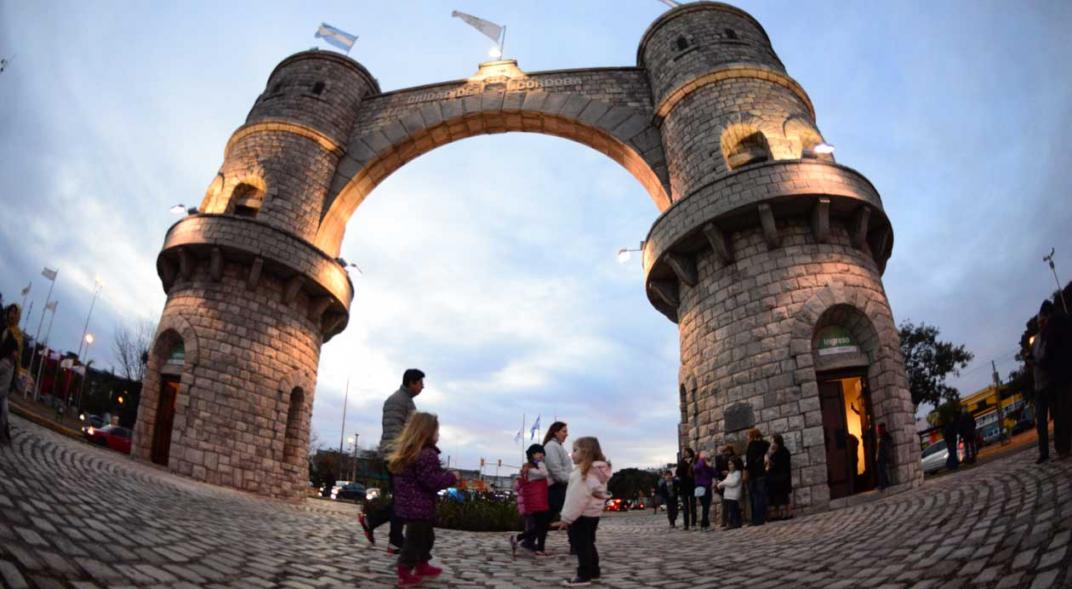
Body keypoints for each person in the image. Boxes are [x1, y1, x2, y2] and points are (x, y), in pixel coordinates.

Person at [388, 412, 458, 587]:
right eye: (436, 431)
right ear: (427, 432)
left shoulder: (412, 453)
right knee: (415, 540)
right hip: (418, 507)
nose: (438, 435)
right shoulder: (427, 455)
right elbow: (431, 481)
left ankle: (422, 564)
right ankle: (405, 570)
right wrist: (451, 477)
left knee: (427, 538)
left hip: (413, 506)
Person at [360, 368, 424, 554]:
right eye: (420, 383)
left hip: (392, 454)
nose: (422, 387)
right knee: (403, 500)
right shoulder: (402, 402)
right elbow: (402, 432)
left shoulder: (398, 400)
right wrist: (409, 455)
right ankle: (394, 540)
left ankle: (373, 523)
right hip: (397, 456)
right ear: (411, 382)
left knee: (401, 499)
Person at [552, 436, 612, 587]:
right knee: (589, 543)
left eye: (575, 450)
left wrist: (566, 518)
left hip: (581, 514)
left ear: (585, 452)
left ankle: (584, 575)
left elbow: (576, 498)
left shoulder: (583, 474)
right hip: (593, 514)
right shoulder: (598, 472)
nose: (572, 454)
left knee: (581, 545)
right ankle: (594, 571)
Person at [1039, 300, 1072, 459]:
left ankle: (1064, 447)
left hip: (1060, 373)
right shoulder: (1066, 319)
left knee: (1063, 411)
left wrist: (1041, 363)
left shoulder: (1051, 327)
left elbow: (1050, 350)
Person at [511, 443, 551, 557]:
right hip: (537, 500)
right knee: (541, 525)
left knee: (541, 525)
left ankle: (540, 548)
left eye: (543, 453)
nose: (542, 455)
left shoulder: (529, 468)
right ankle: (519, 538)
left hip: (537, 499)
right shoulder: (532, 470)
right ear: (533, 454)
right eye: (539, 453)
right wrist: (541, 463)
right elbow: (544, 474)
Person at [543, 421, 572, 552]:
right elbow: (556, 470)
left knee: (545, 520)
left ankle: (526, 539)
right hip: (557, 487)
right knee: (572, 516)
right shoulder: (551, 447)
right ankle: (576, 545)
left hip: (560, 486)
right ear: (556, 432)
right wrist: (571, 480)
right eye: (564, 431)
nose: (567, 434)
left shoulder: (558, 447)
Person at [1030, 303, 1054, 463]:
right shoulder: (1036, 339)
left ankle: (1062, 444)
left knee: (1058, 414)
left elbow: (1046, 358)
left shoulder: (1049, 336)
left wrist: (1037, 362)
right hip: (1038, 385)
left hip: (1049, 383)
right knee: (1040, 422)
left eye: (1042, 321)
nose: (1040, 325)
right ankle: (1043, 452)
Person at [0, 304, 23, 445]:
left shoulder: (17, 333)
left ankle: (4, 432)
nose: (12, 315)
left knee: (2, 397)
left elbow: (17, 356)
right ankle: (4, 431)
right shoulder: (4, 327)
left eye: (15, 312)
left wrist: (16, 374)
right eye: (10, 312)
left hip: (8, 367)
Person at [744, 428, 770, 526]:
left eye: (748, 436)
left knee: (755, 497)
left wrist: (746, 469)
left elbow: (750, 461)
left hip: (754, 474)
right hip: (762, 473)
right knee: (762, 496)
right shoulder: (765, 444)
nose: (747, 438)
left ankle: (756, 519)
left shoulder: (752, 445)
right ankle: (762, 517)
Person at [766, 434, 792, 520]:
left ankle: (787, 513)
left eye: (773, 442)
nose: (772, 444)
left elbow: (782, 464)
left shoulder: (783, 451)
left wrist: (772, 463)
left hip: (782, 476)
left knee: (783, 496)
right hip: (774, 477)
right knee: (775, 496)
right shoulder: (773, 452)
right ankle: (777, 514)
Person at [716, 456, 743, 529]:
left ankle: (735, 523)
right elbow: (726, 481)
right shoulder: (730, 474)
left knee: (734, 510)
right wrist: (720, 484)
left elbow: (733, 483)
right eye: (729, 464)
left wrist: (723, 483)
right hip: (728, 495)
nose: (729, 466)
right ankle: (732, 523)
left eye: (731, 464)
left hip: (733, 496)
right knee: (730, 510)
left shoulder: (737, 473)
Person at [693, 450, 716, 531]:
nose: (708, 455)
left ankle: (706, 524)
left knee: (706, 506)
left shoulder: (708, 464)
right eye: (706, 454)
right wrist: (703, 461)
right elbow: (696, 469)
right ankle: (704, 525)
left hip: (707, 487)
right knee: (705, 506)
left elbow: (714, 474)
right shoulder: (700, 463)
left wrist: (710, 467)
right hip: (701, 487)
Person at [675, 447, 697, 530]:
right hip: (683, 485)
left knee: (693, 505)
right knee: (685, 507)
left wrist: (690, 463)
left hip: (692, 485)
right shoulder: (682, 461)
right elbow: (678, 472)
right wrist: (684, 463)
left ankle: (693, 524)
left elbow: (696, 471)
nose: (685, 453)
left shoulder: (694, 460)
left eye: (687, 452)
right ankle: (686, 524)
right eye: (685, 452)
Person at [715, 445, 736, 528]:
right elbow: (717, 471)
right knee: (724, 502)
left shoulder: (733, 457)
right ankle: (725, 521)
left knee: (730, 501)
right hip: (723, 481)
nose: (725, 453)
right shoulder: (718, 458)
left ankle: (730, 520)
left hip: (730, 480)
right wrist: (720, 475)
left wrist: (729, 472)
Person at [876, 423, 893, 490]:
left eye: (879, 429)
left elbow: (888, 445)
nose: (878, 430)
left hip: (883, 456)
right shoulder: (881, 436)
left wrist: (887, 456)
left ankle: (883, 485)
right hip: (880, 456)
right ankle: (885, 483)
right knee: (881, 470)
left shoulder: (886, 436)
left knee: (882, 470)